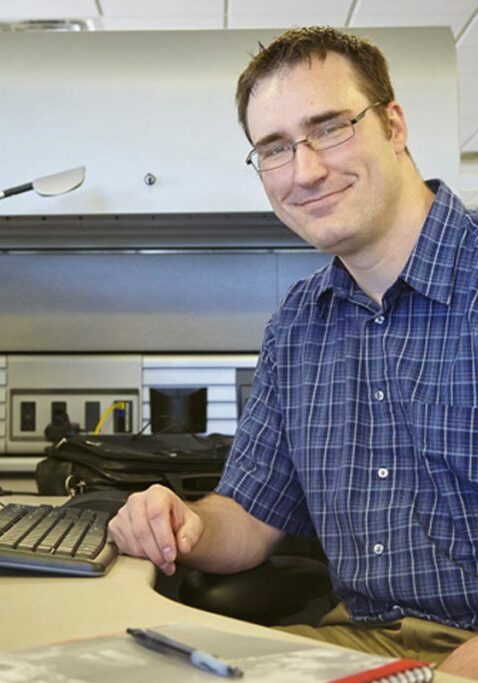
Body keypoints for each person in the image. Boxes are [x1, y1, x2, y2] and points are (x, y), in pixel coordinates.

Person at [108, 26, 478, 677]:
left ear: (393, 124)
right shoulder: (299, 325)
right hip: (359, 643)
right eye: (274, 148)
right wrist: (181, 520)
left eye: (331, 127)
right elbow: (247, 520)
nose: (305, 171)